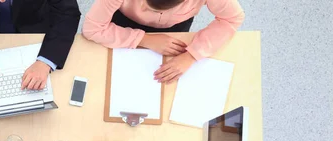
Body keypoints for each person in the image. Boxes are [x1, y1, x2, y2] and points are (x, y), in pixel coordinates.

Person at [82, 0, 245, 83]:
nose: (146, 11)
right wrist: (143, 39)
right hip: (124, 24)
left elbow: (232, 18)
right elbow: (92, 28)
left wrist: (192, 55)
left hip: (175, 28)